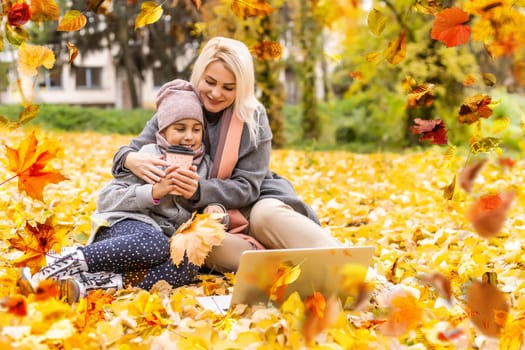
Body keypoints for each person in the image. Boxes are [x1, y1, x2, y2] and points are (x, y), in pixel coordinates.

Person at [111, 36, 343, 274]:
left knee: (266, 216)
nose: (215, 93)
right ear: (199, 75)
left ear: (241, 88)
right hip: (209, 219)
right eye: (210, 82)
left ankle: (354, 272)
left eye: (228, 88)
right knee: (199, 242)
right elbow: (126, 152)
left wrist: (199, 191)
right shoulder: (179, 106)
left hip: (253, 203)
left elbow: (248, 187)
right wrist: (130, 159)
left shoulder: (252, 117)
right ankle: (297, 274)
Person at [20, 79, 218, 302]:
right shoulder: (148, 157)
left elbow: (210, 203)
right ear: (163, 130)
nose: (189, 137)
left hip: (162, 242)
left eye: (196, 129)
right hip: (123, 227)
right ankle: (54, 264)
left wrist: (212, 209)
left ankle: (88, 285)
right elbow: (106, 199)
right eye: (180, 129)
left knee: (188, 264)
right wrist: (153, 192)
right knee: (155, 243)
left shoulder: (206, 166)